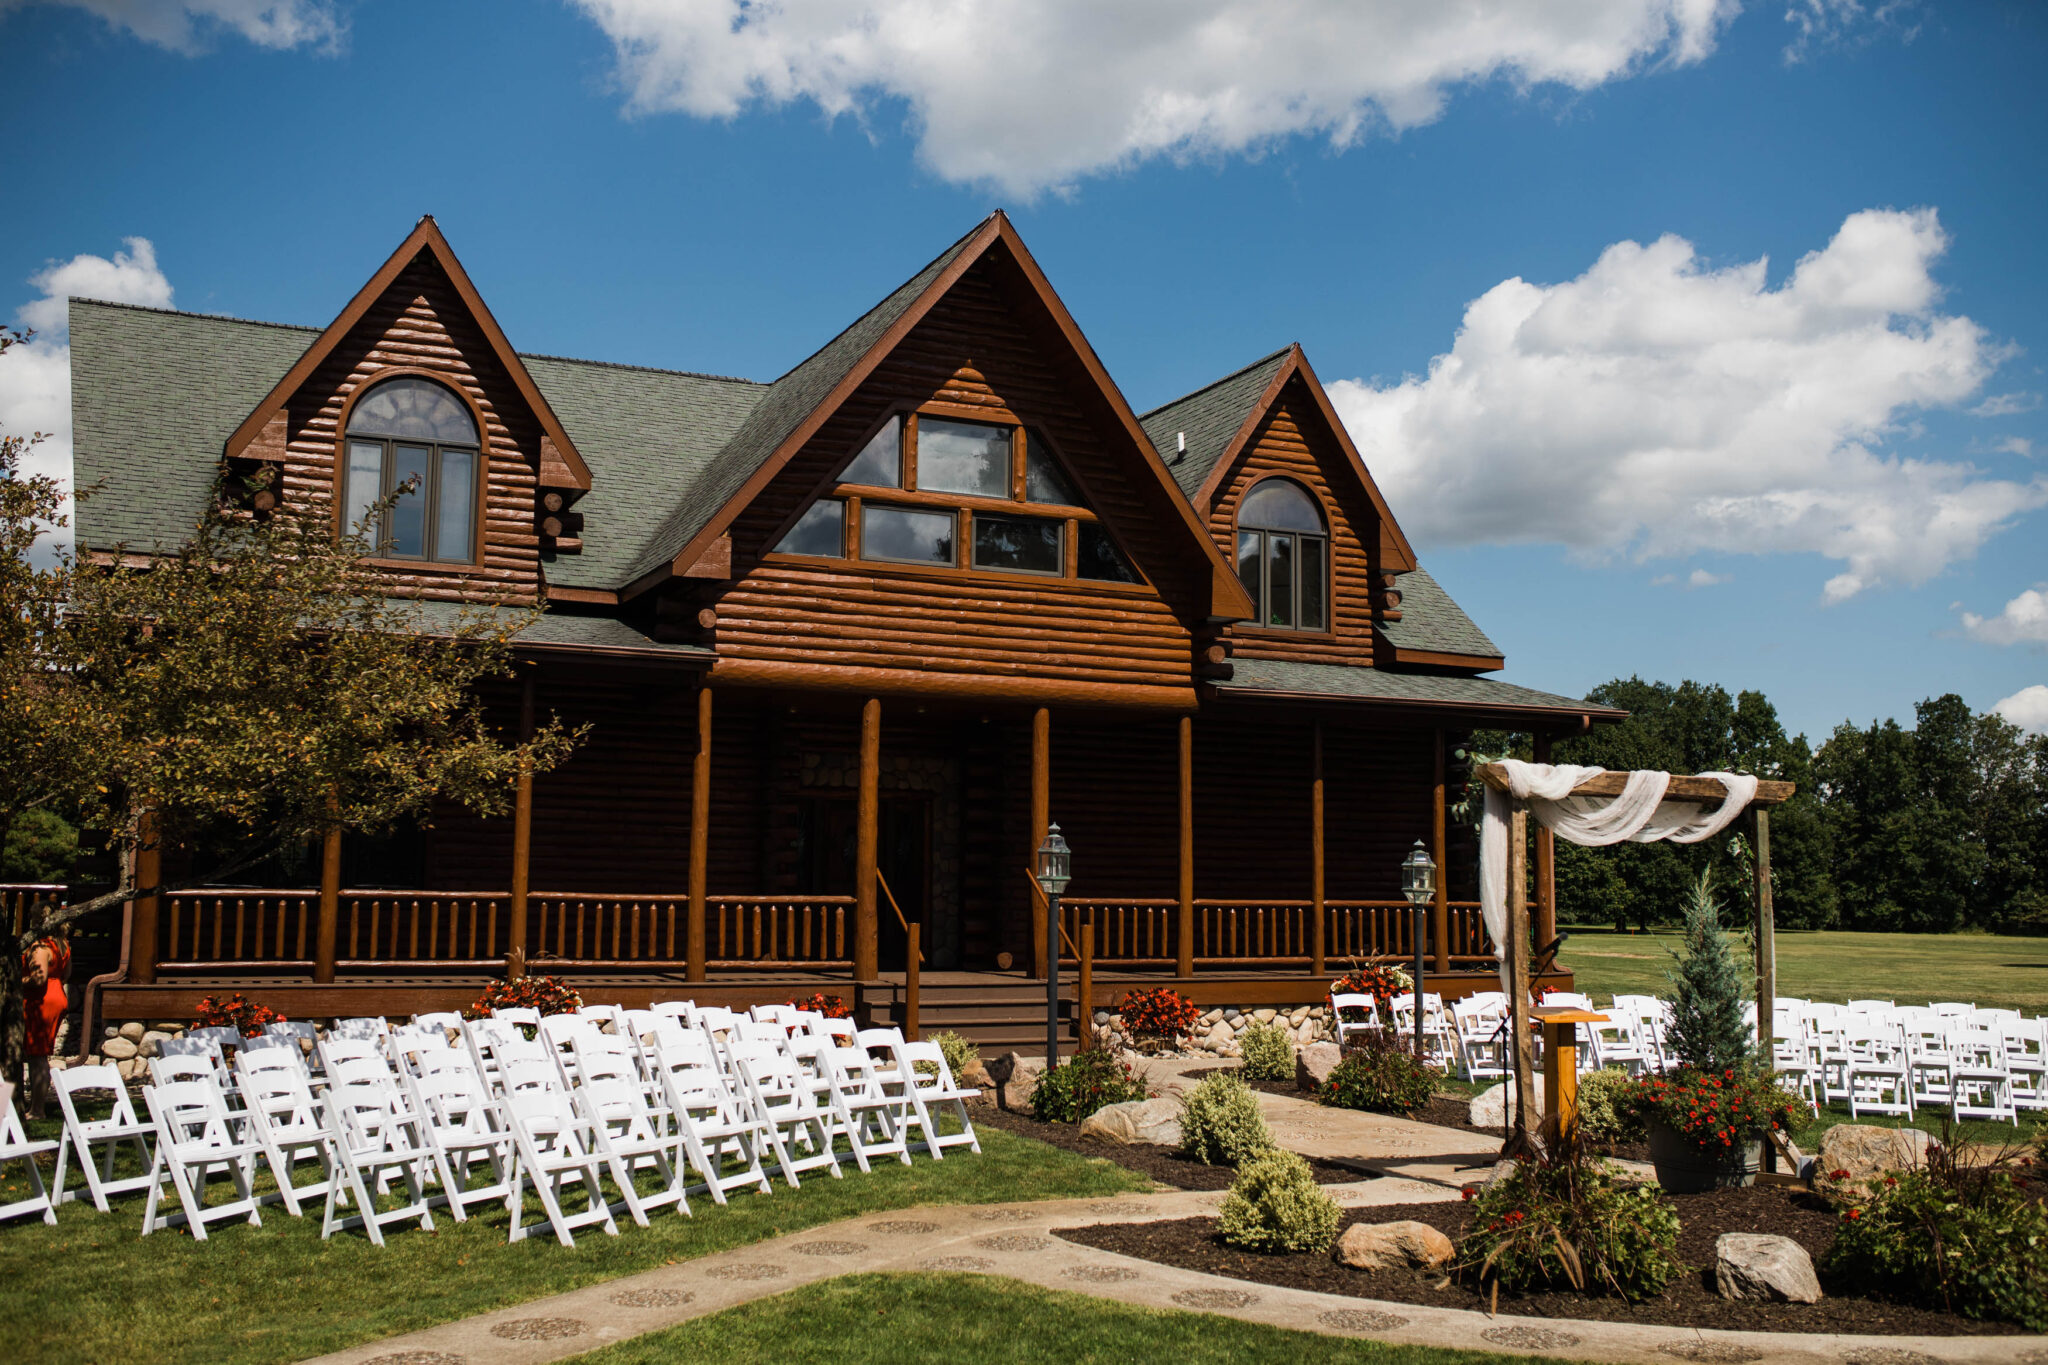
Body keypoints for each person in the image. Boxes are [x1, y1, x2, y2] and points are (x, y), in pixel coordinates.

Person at [22, 925, 70, 1120]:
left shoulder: (40, 948)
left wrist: (14, 980)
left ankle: (37, 1109)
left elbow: (38, 979)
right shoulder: (62, 945)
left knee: (36, 1056)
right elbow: (66, 975)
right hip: (57, 993)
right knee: (38, 1054)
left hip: (40, 1000)